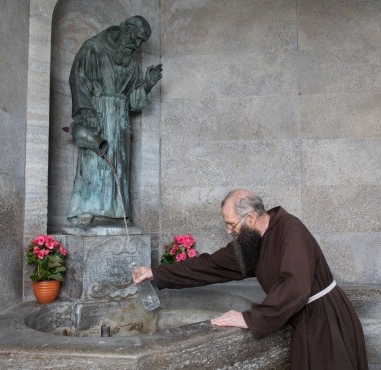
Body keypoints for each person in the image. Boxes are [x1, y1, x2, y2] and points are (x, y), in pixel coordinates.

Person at [132, 189, 368, 370]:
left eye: (230, 224)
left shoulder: (290, 229)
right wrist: (156, 273)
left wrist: (250, 318)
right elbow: (210, 265)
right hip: (304, 321)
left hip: (326, 321)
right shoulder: (253, 243)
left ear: (252, 219)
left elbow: (296, 284)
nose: (228, 231)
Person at [67, 15, 162, 225]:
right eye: (136, 38)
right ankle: (86, 209)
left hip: (120, 120)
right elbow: (77, 79)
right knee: (94, 162)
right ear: (125, 28)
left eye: (141, 42)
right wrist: (85, 111)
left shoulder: (133, 63)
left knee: (118, 166)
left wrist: (147, 85)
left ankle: (117, 213)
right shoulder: (93, 48)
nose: (137, 45)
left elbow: (132, 102)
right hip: (97, 114)